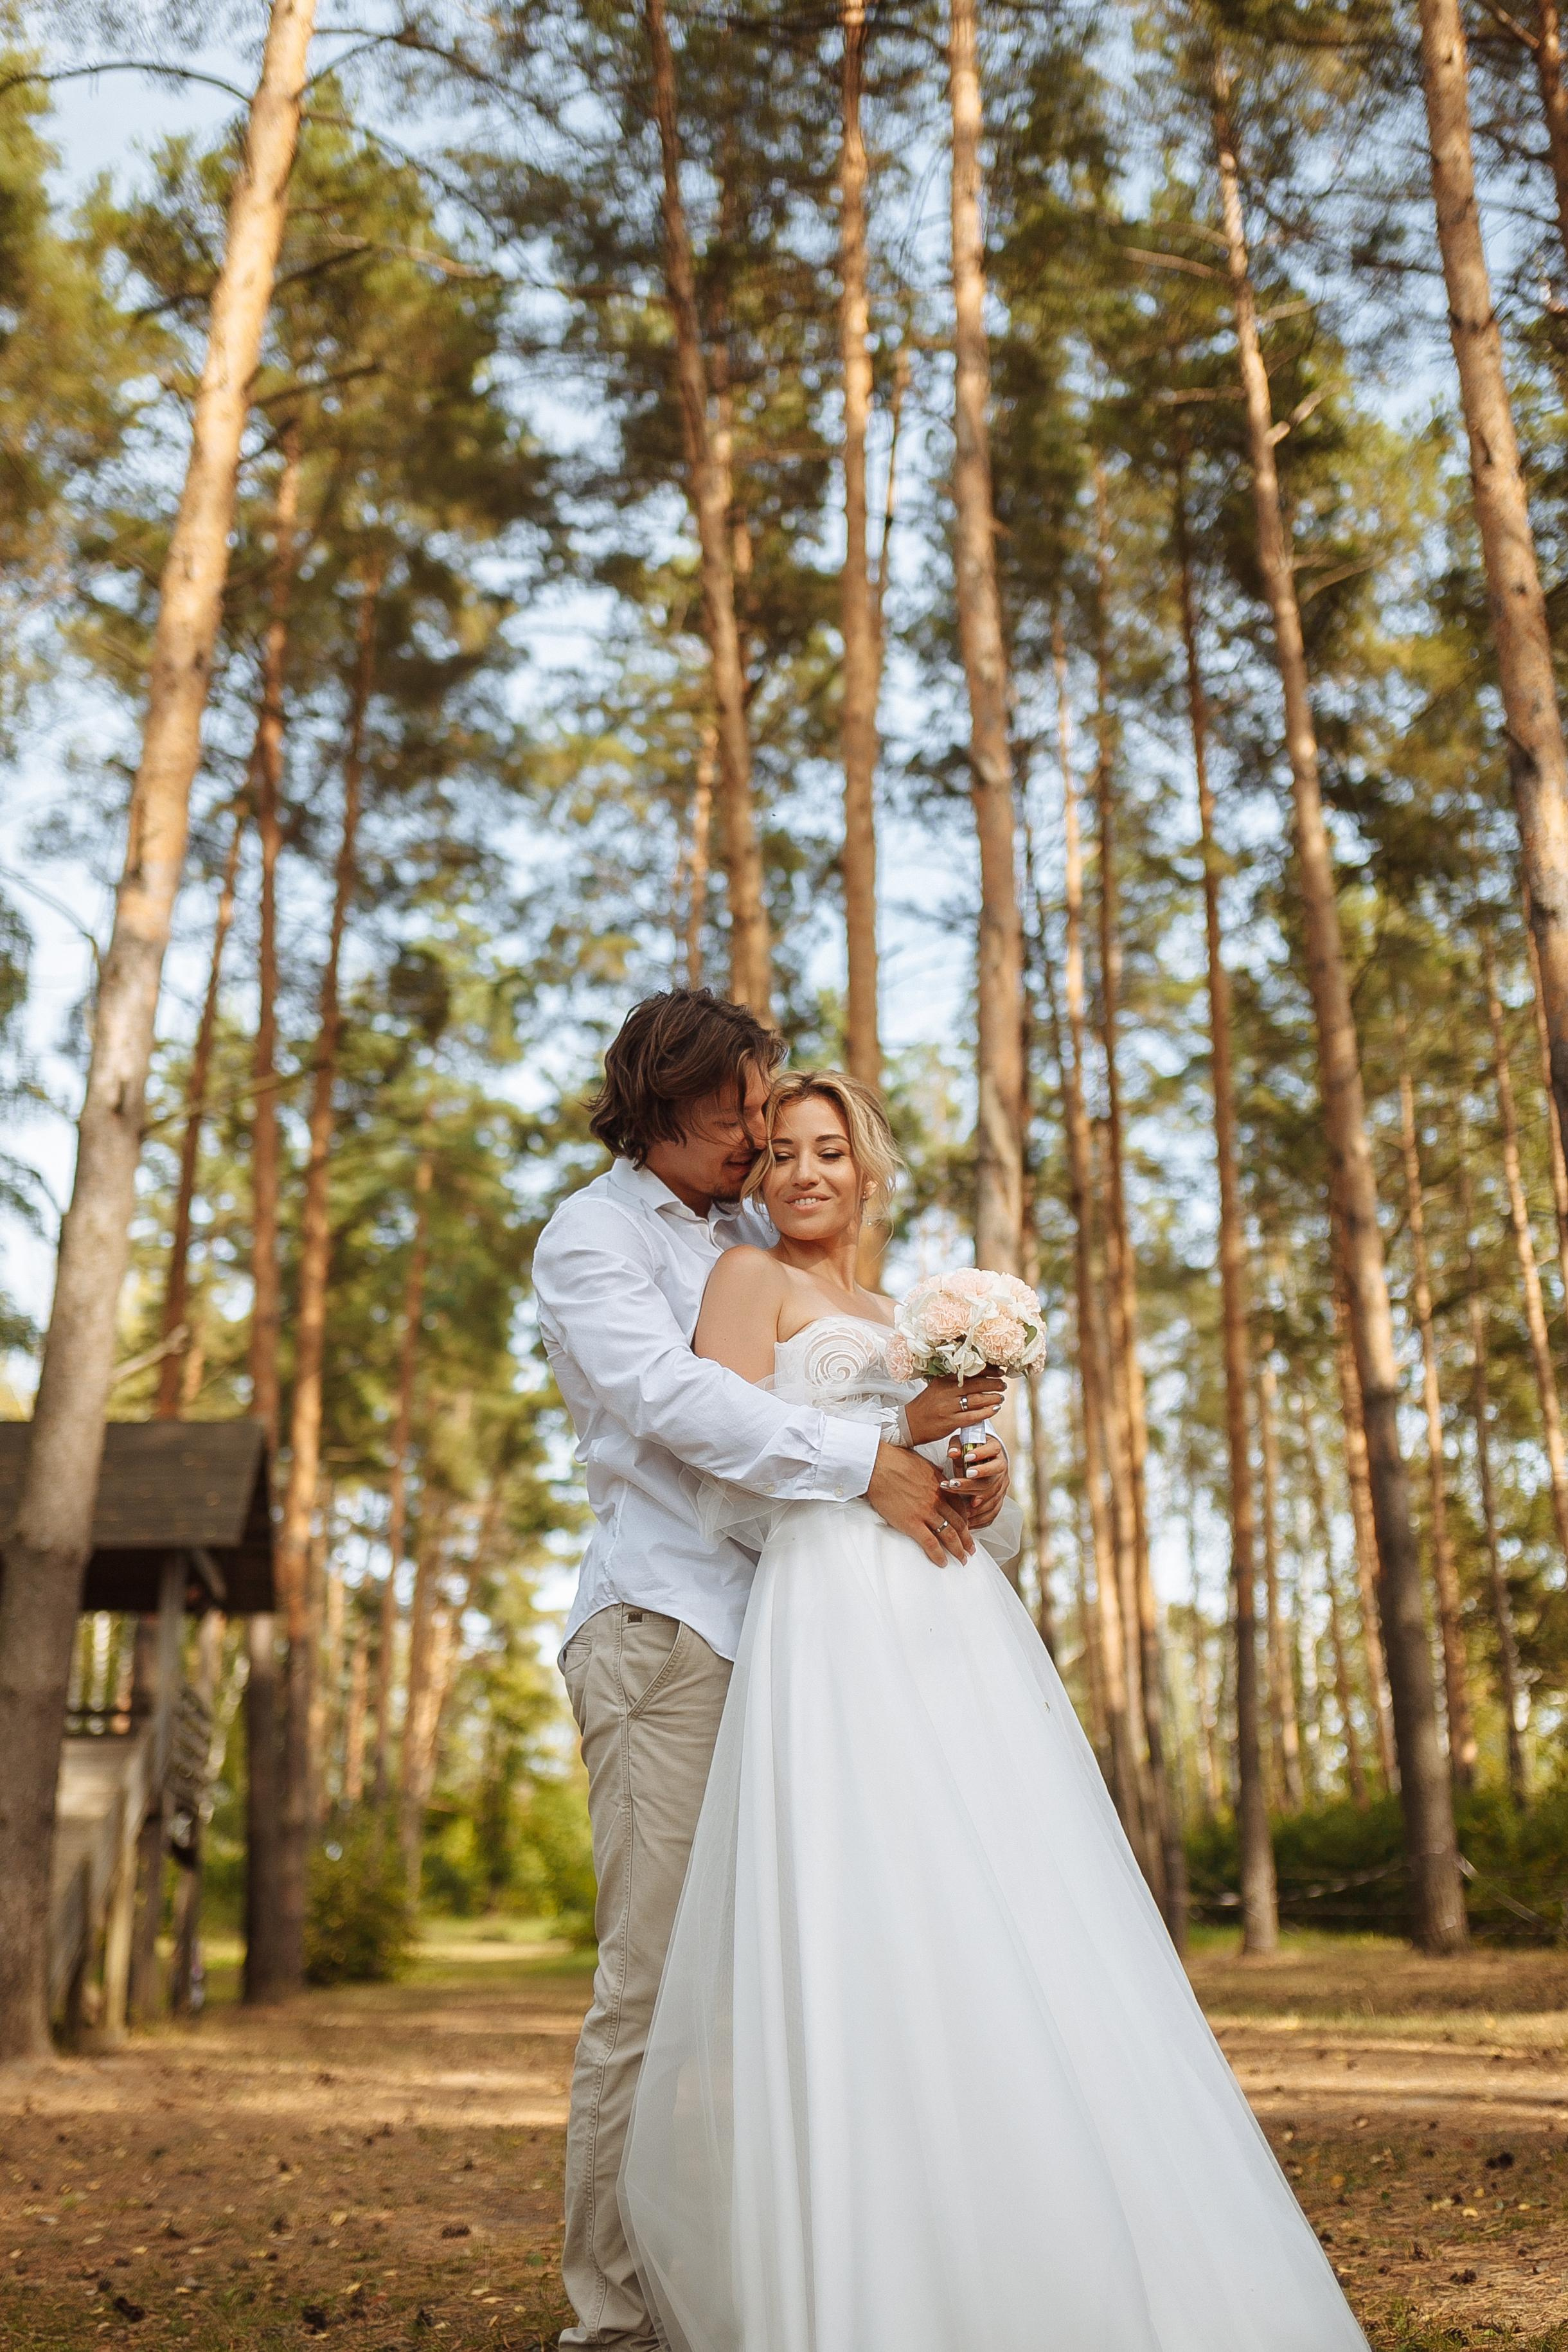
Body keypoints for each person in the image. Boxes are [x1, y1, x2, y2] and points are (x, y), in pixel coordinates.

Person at [619, 1070, 1371, 2352]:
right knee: (862, 1912)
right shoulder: (746, 1286)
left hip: (944, 1613)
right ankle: (869, 2270)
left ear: (867, 1172)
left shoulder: (882, 1306)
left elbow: (944, 1481)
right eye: (784, 1153)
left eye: (829, 1152)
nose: (804, 1174)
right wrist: (873, 1455)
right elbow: (717, 1478)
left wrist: (977, 1477)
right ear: (759, 1176)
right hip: (826, 1613)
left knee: (998, 1897)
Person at [532, 991, 1010, 2352]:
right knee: (654, 1978)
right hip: (670, 1629)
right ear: (663, 1099)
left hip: (810, 1646)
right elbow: (678, 1406)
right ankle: (611, 2317)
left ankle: (750, 2283)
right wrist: (869, 1461)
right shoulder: (591, 1236)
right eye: (740, 1106)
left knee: (787, 1980)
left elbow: (840, 1374)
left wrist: (943, 1449)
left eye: (771, 1110)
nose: (762, 1132)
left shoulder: (754, 1224)